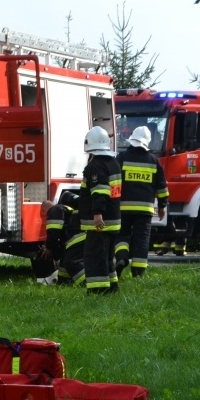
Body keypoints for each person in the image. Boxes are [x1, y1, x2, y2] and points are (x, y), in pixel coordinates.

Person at [114, 126, 169, 278]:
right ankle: (138, 273)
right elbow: (162, 186)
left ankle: (122, 258)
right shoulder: (153, 160)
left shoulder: (122, 157)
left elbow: (115, 182)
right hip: (145, 210)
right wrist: (162, 206)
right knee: (141, 240)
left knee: (121, 235)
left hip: (123, 207)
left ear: (132, 139)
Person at [79, 126, 122, 294]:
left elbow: (100, 192)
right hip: (113, 220)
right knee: (106, 258)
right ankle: (112, 287)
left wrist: (97, 214)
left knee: (95, 258)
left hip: (100, 222)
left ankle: (98, 291)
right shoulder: (114, 163)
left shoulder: (96, 166)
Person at [33, 191, 86, 285]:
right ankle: (64, 283)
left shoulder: (54, 210)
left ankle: (86, 283)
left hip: (76, 240)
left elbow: (53, 233)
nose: (45, 219)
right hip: (80, 238)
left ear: (43, 211)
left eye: (44, 216)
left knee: (71, 263)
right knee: (63, 267)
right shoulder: (64, 208)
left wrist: (48, 248)